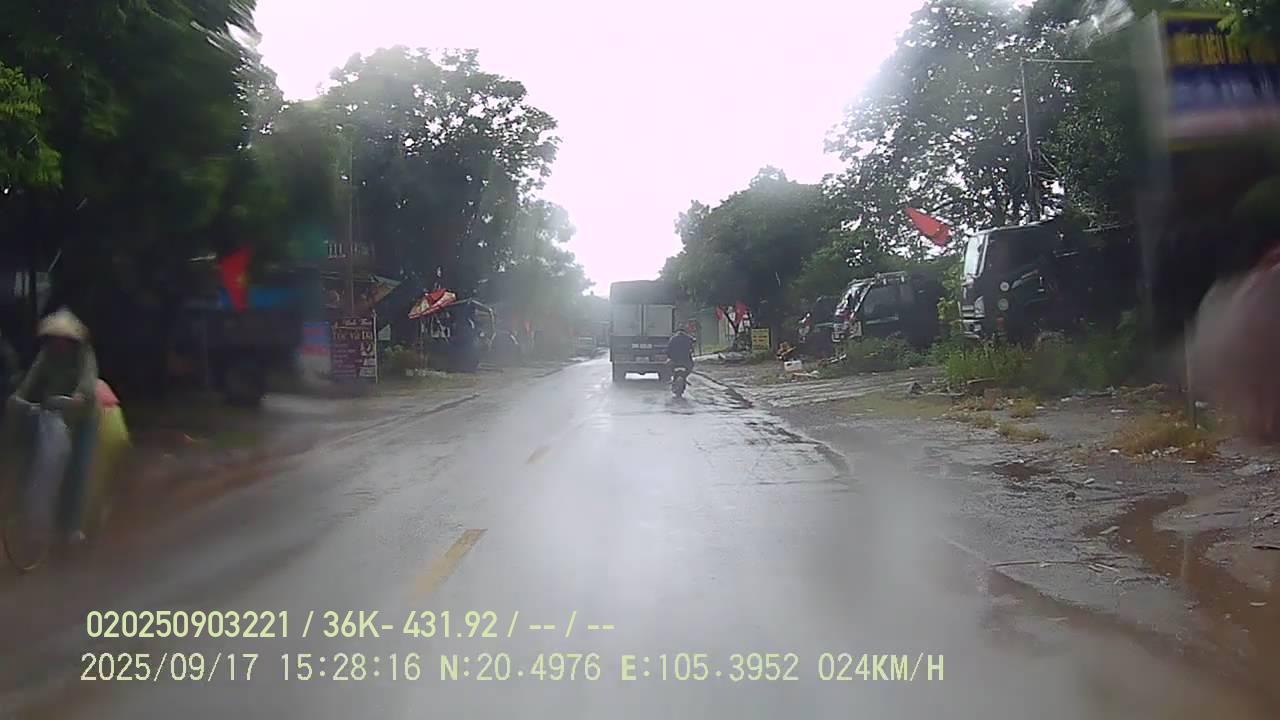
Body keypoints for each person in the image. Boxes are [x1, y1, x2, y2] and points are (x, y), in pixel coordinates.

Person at [6, 309, 99, 542]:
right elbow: (31, 378)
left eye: (63, 339)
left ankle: (72, 526)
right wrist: (18, 397)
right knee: (33, 460)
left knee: (77, 468)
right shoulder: (47, 354)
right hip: (53, 414)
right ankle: (27, 514)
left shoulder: (83, 354)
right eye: (55, 338)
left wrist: (79, 397)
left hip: (82, 417)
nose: (59, 343)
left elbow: (88, 381)